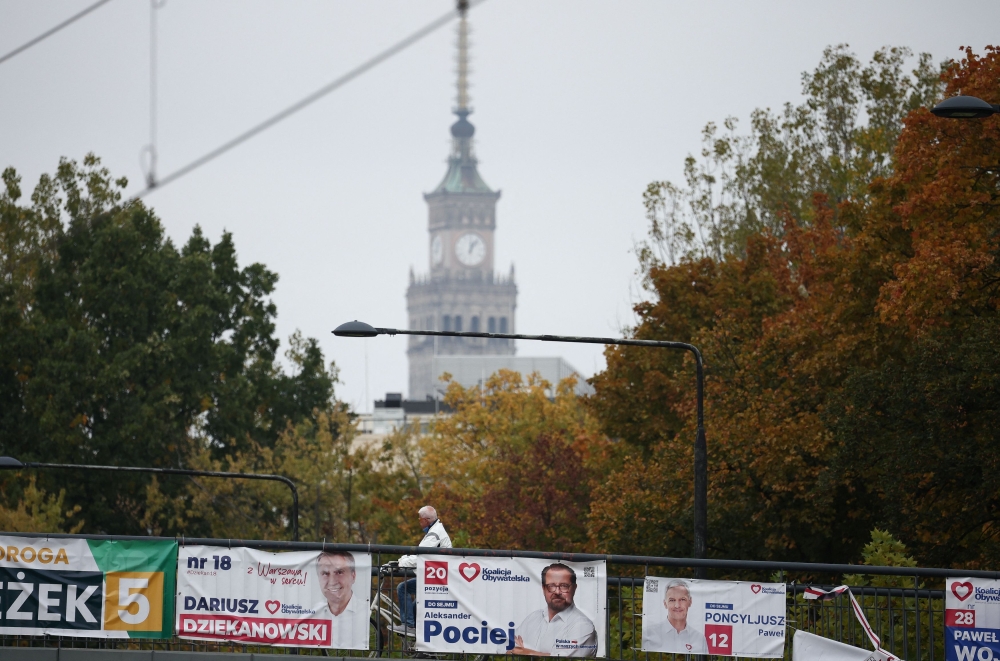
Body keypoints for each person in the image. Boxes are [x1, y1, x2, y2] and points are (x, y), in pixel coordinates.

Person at [507, 563, 597, 657]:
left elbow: (561, 660)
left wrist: (526, 652)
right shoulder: (532, 618)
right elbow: (506, 648)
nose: (557, 592)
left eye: (564, 586)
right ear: (543, 589)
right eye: (551, 586)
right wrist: (542, 654)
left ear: (574, 588)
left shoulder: (583, 626)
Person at [390, 505, 452, 635]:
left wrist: (401, 564)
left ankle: (408, 626)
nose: (419, 522)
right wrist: (403, 560)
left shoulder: (434, 534)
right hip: (435, 576)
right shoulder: (436, 530)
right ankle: (421, 645)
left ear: (426, 520)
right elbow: (419, 554)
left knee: (403, 588)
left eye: (420, 519)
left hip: (435, 578)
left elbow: (420, 557)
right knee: (414, 611)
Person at [644, 579, 707, 655]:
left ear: (690, 602)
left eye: (682, 599)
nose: (677, 605)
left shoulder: (699, 639)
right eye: (672, 600)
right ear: (665, 603)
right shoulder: (650, 633)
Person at [317, 551, 366, 648]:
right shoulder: (311, 613)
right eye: (325, 573)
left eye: (339, 572)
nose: (332, 582)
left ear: (353, 576)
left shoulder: (367, 612)